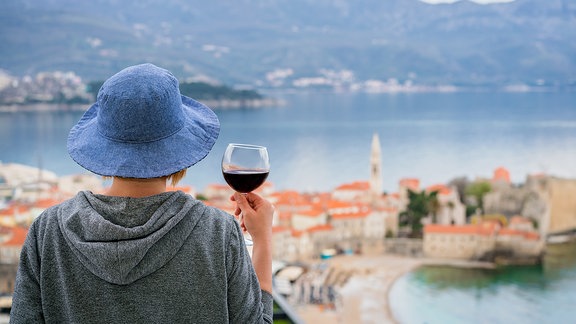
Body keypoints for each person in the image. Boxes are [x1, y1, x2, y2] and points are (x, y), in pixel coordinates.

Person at [10, 63, 274, 323]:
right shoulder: (217, 232)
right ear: (179, 148)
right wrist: (262, 239)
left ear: (103, 145)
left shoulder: (48, 231)